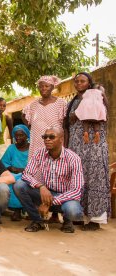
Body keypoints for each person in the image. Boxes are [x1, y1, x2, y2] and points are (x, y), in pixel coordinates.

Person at [14, 127, 84, 233]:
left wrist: (49, 203)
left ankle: (67, 221)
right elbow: (26, 174)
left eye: (51, 137)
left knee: (73, 210)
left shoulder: (73, 158)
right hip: (46, 193)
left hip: (65, 198)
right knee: (19, 185)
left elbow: (76, 190)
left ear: (61, 139)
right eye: (45, 137)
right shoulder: (39, 153)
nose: (47, 139)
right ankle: (37, 220)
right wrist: (40, 186)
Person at [65, 72, 110, 231]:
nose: (78, 83)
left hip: (94, 147)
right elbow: (67, 126)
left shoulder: (98, 96)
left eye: (82, 81)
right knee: (78, 179)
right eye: (76, 81)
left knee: (94, 178)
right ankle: (78, 216)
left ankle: (95, 219)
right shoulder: (73, 101)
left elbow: (101, 118)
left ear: (89, 83)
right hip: (76, 147)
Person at [22, 75, 67, 158]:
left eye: (47, 86)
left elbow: (65, 126)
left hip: (54, 141)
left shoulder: (61, 103)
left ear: (52, 87)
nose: (43, 88)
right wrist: (30, 127)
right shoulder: (33, 104)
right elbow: (24, 114)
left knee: (54, 165)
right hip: (37, 141)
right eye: (41, 86)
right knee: (37, 165)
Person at [0, 124, 30, 221]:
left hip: (28, 174)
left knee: (21, 182)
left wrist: (22, 170)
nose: (18, 137)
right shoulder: (11, 148)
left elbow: (35, 164)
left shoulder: (32, 148)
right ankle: (16, 210)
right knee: (9, 181)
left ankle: (25, 210)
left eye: (21, 135)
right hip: (12, 174)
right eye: (16, 135)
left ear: (27, 136)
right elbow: (3, 162)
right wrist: (11, 168)